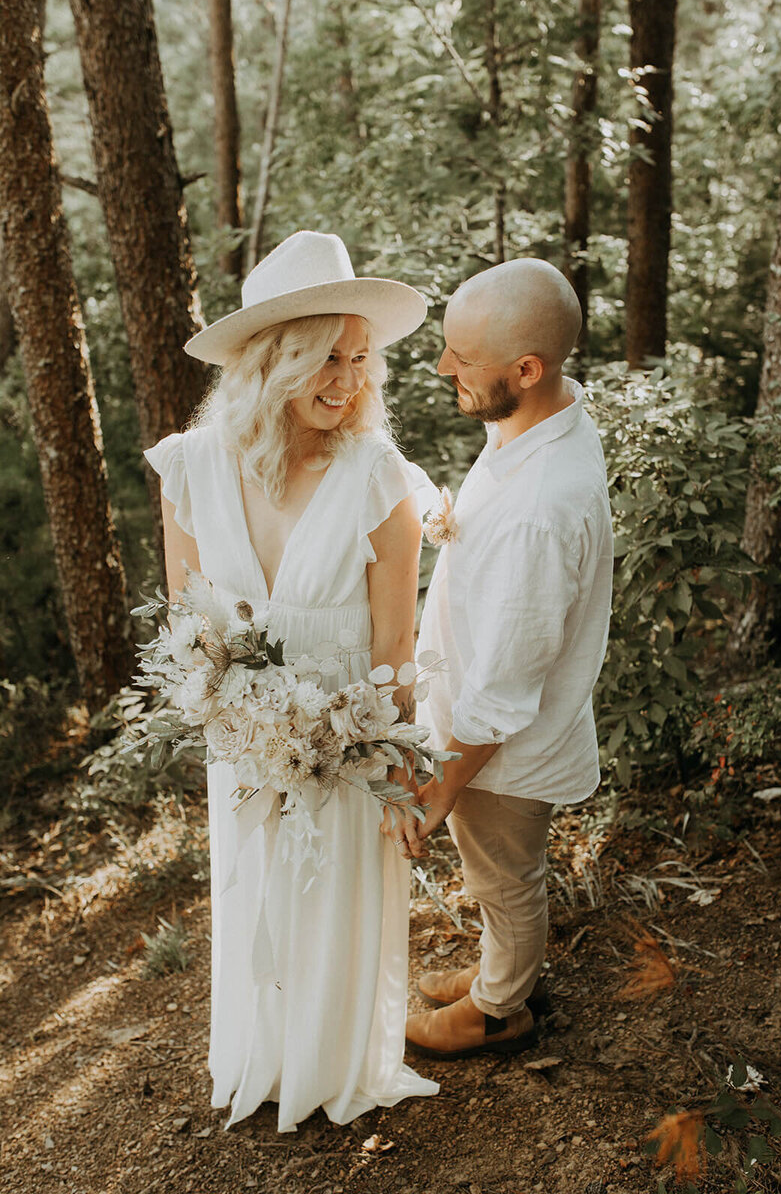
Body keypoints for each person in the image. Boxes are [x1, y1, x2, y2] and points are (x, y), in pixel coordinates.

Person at [144, 231, 439, 1131]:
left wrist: (396, 761)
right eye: (327, 359)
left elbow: (396, 636)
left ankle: (337, 1066)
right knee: (257, 882)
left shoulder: (377, 473)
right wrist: (225, 707)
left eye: (361, 359)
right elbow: (190, 618)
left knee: (336, 896)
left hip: (349, 734)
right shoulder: (190, 466)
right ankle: (266, 1056)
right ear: (273, 360)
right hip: (244, 738)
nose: (350, 381)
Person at [393, 258, 614, 1059]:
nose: (446, 368)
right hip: (486, 719)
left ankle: (500, 1007)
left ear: (528, 369)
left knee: (503, 877)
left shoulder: (540, 510)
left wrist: (440, 791)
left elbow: (503, 690)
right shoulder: (538, 416)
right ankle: (502, 968)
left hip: (500, 747)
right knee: (496, 875)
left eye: (463, 359)